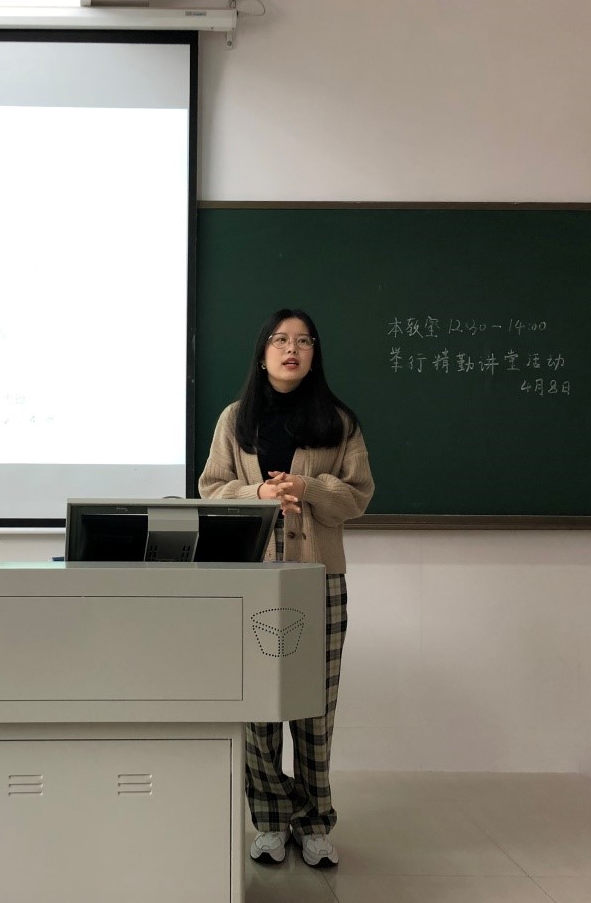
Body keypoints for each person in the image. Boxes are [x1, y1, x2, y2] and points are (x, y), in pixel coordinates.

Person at [198, 308, 374, 868]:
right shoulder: (235, 419)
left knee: (315, 708)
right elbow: (211, 488)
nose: (291, 349)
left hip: (318, 580)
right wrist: (258, 494)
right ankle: (272, 820)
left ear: (315, 354)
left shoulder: (338, 422)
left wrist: (307, 486)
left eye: (303, 340)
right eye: (280, 339)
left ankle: (316, 822)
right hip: (252, 582)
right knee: (259, 708)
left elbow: (357, 497)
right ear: (263, 352)